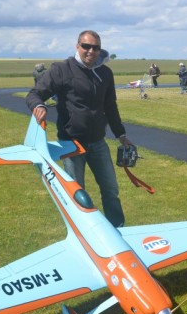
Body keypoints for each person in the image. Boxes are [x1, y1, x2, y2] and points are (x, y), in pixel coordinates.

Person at [26, 30, 133, 228]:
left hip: (98, 143)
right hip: (71, 145)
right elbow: (34, 94)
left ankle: (118, 229)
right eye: (86, 46)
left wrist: (121, 134)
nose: (91, 51)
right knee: (77, 193)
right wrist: (38, 106)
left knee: (111, 190)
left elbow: (110, 106)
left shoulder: (105, 73)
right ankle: (81, 232)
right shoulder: (62, 69)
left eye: (96, 47)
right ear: (77, 46)